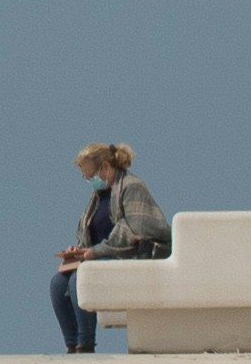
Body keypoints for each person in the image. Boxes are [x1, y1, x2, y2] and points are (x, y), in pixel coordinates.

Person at [48, 141, 167, 352]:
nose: (88, 180)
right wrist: (79, 251)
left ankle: (86, 344)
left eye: (90, 174)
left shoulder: (131, 187)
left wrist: (95, 252)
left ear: (104, 167)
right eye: (85, 176)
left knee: (80, 278)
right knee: (58, 283)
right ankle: (72, 344)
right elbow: (90, 233)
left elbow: (134, 230)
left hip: (131, 256)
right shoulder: (98, 196)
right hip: (100, 256)